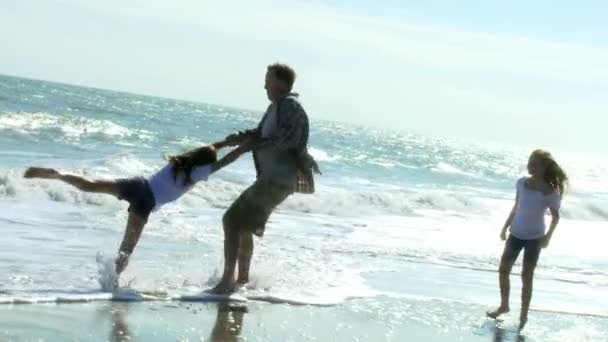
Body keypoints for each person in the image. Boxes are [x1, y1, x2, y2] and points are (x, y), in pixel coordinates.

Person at [23, 138, 251, 279]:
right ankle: (111, 283)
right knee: (127, 247)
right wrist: (243, 148)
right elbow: (224, 162)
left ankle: (58, 174)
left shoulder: (181, 161)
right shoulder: (199, 172)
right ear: (206, 162)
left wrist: (225, 142)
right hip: (146, 202)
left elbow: (207, 150)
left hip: (139, 184)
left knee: (89, 185)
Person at [211, 63, 320, 293]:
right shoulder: (276, 106)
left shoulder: (289, 105)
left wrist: (249, 145)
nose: (264, 86)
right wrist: (240, 138)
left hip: (278, 179)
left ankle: (227, 282)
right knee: (242, 226)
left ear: (280, 83)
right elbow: (261, 134)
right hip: (273, 179)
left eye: (268, 80)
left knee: (231, 220)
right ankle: (241, 281)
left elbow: (285, 140)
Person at [487, 149, 568, 330]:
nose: (530, 165)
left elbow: (555, 217)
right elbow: (516, 207)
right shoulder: (521, 183)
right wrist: (504, 226)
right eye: (529, 161)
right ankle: (504, 305)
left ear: (544, 166)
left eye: (534, 163)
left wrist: (548, 237)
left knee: (526, 276)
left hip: (534, 239)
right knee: (503, 270)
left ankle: (523, 315)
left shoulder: (550, 191)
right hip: (515, 234)